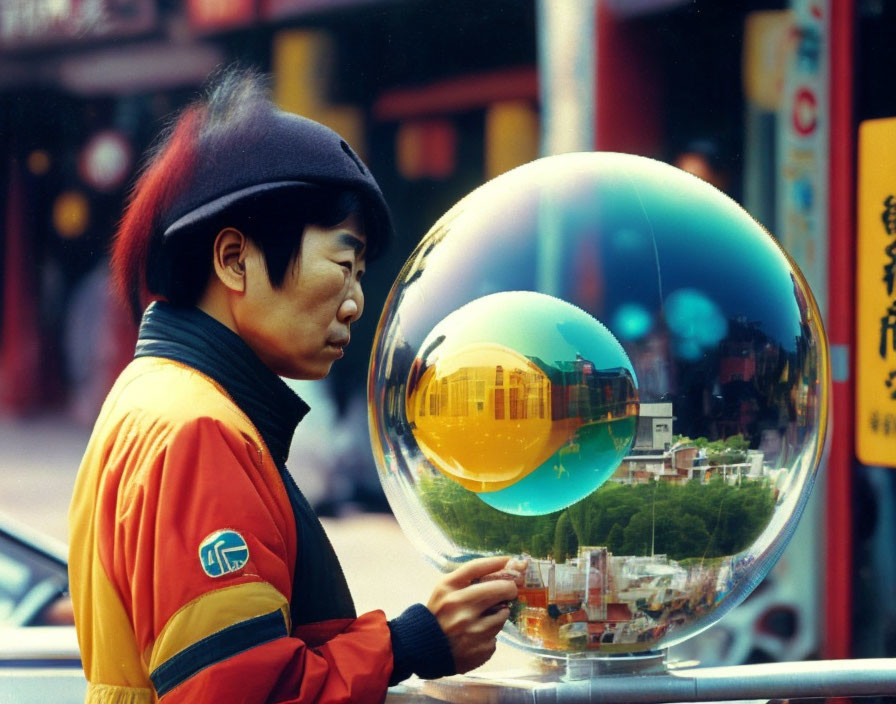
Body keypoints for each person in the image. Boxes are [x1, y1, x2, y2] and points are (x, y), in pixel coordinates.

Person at [68, 67, 525, 704]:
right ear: (234, 260)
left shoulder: (153, 392)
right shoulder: (199, 429)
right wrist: (411, 641)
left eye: (362, 274)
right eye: (343, 264)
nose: (355, 302)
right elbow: (237, 691)